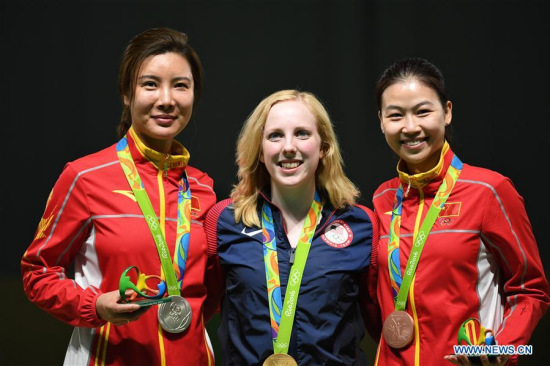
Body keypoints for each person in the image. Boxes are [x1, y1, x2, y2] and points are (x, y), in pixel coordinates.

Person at [21, 27, 220, 365]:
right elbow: (37, 271)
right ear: (127, 94)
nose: (167, 99)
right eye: (150, 84)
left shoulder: (203, 188)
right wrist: (94, 306)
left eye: (181, 85)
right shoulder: (84, 177)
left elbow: (209, 291)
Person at [369, 57, 550, 366]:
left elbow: (531, 290)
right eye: (396, 115)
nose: (411, 127)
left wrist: (502, 350)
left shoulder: (489, 190)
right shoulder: (382, 198)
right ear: (382, 122)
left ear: (447, 112)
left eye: (423, 111)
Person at [204, 89, 379, 365]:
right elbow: (193, 312)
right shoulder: (225, 221)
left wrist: (472, 351)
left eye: (302, 133)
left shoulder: (361, 225)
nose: (288, 146)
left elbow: (385, 327)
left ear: (323, 147)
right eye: (275, 135)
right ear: (260, 151)